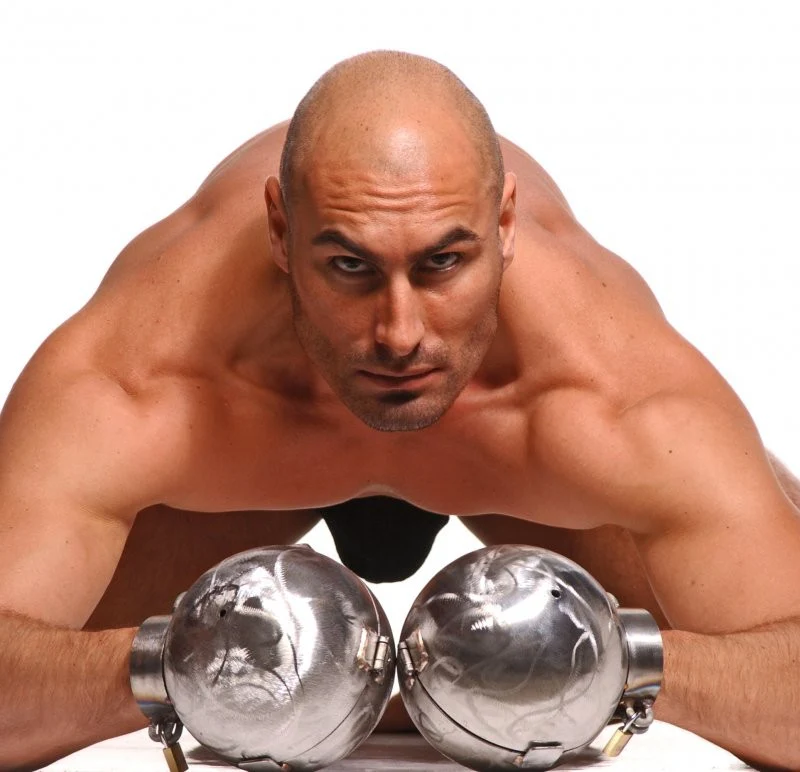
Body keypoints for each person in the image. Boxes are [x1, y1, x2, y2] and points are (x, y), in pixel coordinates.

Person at [0, 50, 797, 771]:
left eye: (443, 262)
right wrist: (174, 666)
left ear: (505, 227)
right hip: (230, 466)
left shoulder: (617, 398)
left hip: (521, 467)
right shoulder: (139, 381)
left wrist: (615, 662)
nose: (399, 334)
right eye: (349, 265)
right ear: (281, 231)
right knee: (52, 681)